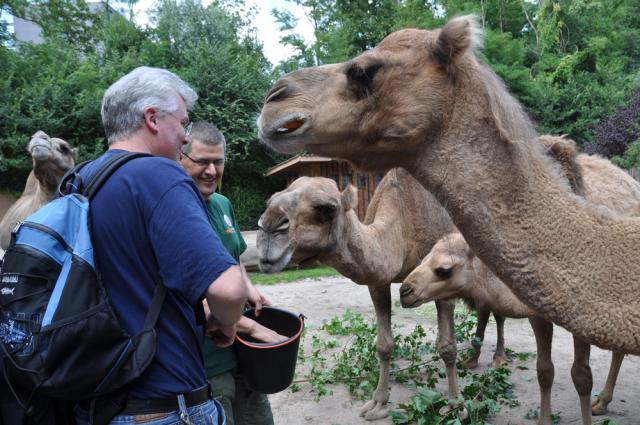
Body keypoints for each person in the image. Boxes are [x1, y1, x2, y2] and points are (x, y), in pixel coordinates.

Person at [74, 67, 248, 425]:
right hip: (164, 404)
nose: (185, 136)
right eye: (182, 123)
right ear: (152, 118)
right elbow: (229, 290)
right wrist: (225, 321)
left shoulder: (83, 179)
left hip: (100, 400)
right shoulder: (157, 175)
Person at [180, 122, 282, 425]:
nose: (211, 170)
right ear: (180, 157)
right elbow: (188, 293)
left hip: (245, 359)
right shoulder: (175, 211)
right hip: (207, 364)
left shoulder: (222, 204)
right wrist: (253, 328)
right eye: (202, 161)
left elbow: (234, 259)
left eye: (218, 161)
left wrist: (250, 290)